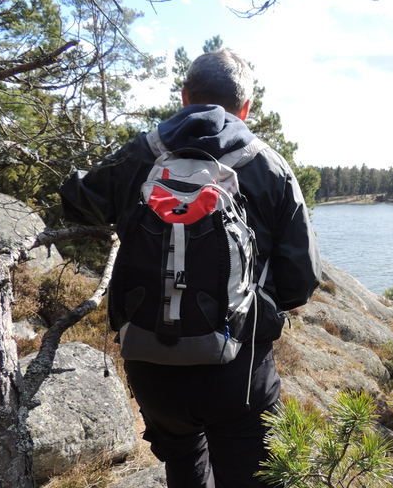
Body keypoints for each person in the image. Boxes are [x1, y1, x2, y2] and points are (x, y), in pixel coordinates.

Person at [60, 48, 322, 488]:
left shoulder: (140, 154)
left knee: (183, 465)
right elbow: (301, 281)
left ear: (185, 96)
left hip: (150, 359)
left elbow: (76, 200)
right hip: (238, 371)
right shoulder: (269, 167)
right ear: (247, 106)